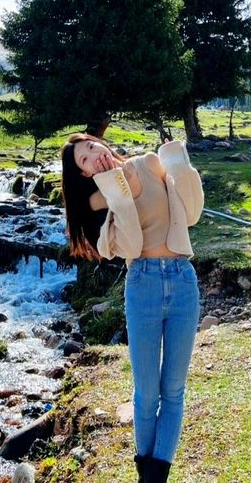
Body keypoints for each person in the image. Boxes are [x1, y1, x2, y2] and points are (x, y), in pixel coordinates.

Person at [60, 133, 205, 483]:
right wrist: (115, 188)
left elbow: (191, 213)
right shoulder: (99, 199)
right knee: (146, 393)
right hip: (143, 283)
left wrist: (177, 160)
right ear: (82, 175)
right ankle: (149, 477)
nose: (94, 155)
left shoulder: (149, 163)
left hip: (183, 280)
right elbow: (130, 245)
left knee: (173, 390)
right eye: (84, 160)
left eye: (93, 147)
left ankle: (154, 477)